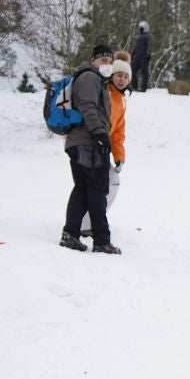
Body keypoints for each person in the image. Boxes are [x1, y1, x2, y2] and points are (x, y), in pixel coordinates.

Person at [59, 45, 120, 255]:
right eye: (103, 60)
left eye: (110, 61)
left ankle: (71, 234)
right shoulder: (89, 78)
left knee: (83, 189)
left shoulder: (93, 79)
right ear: (94, 60)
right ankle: (102, 240)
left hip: (80, 142)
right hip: (88, 142)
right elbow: (87, 106)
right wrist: (100, 134)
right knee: (97, 189)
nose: (107, 65)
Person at [81, 53, 130, 238]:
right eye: (118, 75)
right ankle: (85, 224)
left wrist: (119, 156)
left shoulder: (121, 101)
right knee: (98, 185)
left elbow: (118, 133)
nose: (121, 79)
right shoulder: (105, 91)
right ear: (111, 75)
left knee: (110, 182)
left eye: (126, 76)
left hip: (102, 147)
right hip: (90, 143)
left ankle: (88, 222)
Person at [132, 22, 152, 92]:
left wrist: (148, 53)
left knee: (144, 72)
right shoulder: (139, 37)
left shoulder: (148, 36)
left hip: (144, 56)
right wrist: (132, 54)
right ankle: (134, 86)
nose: (140, 29)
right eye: (140, 28)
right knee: (133, 70)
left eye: (142, 28)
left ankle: (143, 87)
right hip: (137, 56)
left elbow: (150, 45)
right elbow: (136, 47)